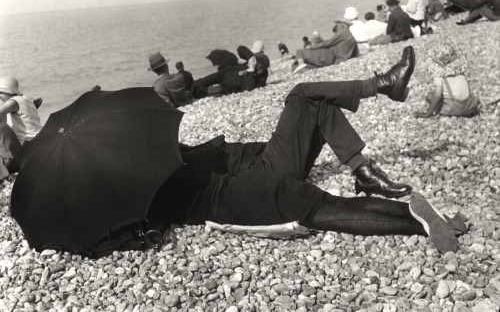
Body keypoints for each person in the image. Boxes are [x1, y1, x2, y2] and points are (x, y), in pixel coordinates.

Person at [148, 46, 462, 254]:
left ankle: (365, 172)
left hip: (263, 162)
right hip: (259, 179)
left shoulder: (166, 160)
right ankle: (379, 86)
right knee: (302, 96)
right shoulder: (163, 178)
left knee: (318, 107)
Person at [415, 43, 480, 118]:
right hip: (469, 106)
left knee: (430, 96)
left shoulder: (439, 74)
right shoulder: (459, 70)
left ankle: (440, 110)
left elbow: (437, 95)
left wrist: (427, 113)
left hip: (455, 107)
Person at [0, 76, 42, 180]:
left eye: (0, 93)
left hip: (28, 149)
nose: (0, 97)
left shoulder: (14, 101)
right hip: (38, 144)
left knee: (3, 128)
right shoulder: (25, 99)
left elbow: (1, 111)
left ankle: (7, 170)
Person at [292, 19, 359, 74]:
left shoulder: (342, 32)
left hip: (329, 55)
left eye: (337, 25)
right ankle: (300, 69)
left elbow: (327, 43)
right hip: (334, 59)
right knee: (303, 61)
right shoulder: (351, 37)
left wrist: (311, 47)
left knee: (300, 52)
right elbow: (356, 53)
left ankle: (300, 66)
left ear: (342, 25)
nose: (336, 27)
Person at [191, 48, 262, 99]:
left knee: (202, 89)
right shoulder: (246, 66)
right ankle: (193, 85)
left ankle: (190, 90)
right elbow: (240, 48)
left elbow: (250, 88)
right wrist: (251, 57)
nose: (259, 69)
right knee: (203, 82)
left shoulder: (253, 76)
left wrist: (251, 70)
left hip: (226, 87)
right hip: (228, 74)